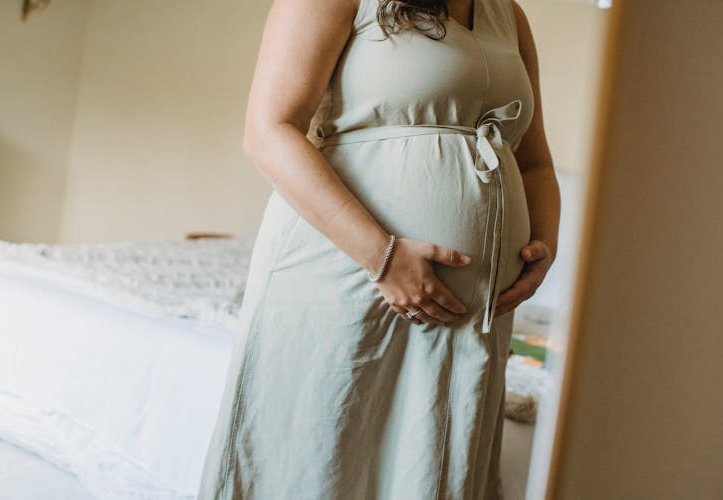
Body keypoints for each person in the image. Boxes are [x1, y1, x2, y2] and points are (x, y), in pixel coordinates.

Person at [197, 0, 560, 497]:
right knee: (320, 454)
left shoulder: (507, 14)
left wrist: (545, 242)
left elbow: (534, 159)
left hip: (473, 311)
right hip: (348, 271)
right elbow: (268, 132)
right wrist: (383, 257)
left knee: (433, 462)